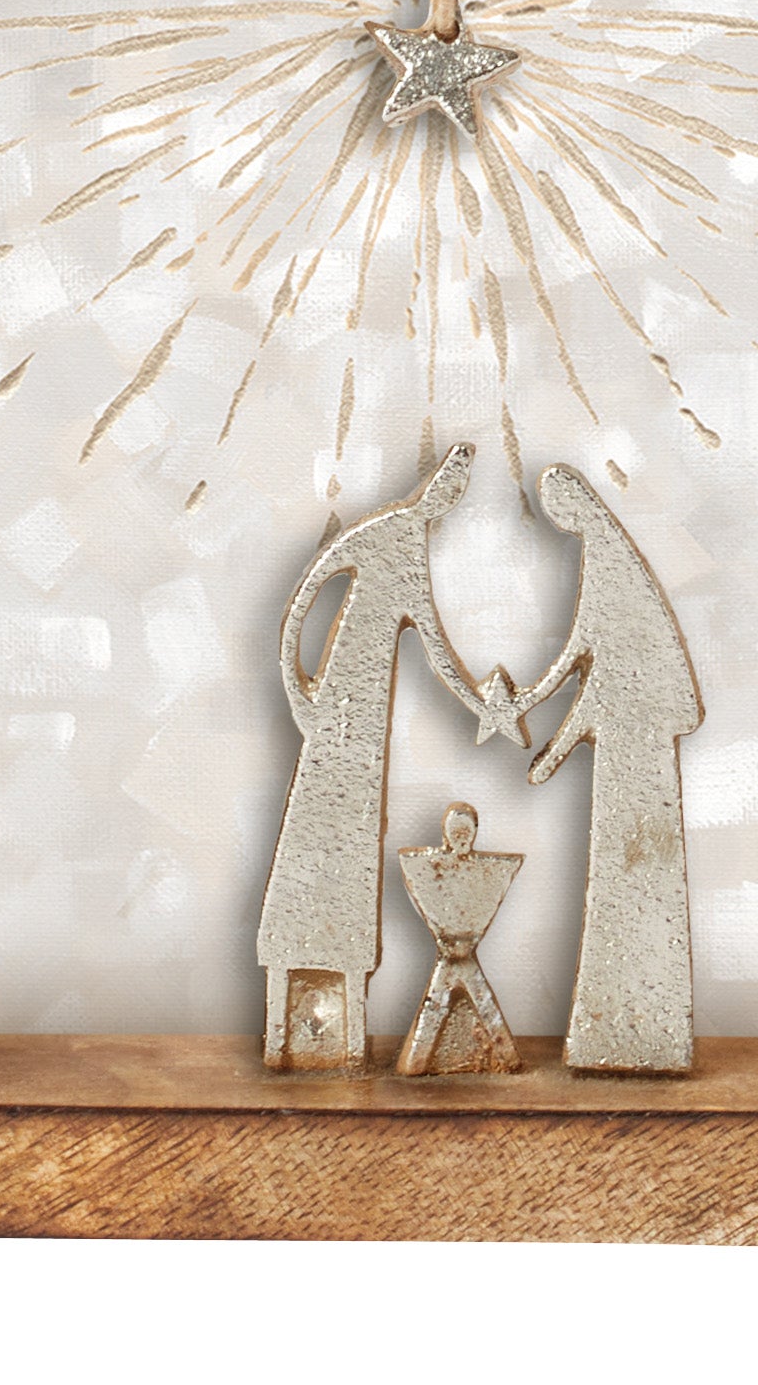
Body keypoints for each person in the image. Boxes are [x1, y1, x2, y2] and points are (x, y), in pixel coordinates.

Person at [256, 444, 516, 1067]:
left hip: (368, 713)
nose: (449, 494)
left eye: (458, 487)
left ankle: (339, 1007)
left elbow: (432, 642)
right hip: (339, 702)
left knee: (352, 829)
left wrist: (480, 703)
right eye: (449, 481)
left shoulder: (413, 552)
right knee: (316, 821)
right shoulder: (387, 532)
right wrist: (299, 692)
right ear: (434, 484)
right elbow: (306, 597)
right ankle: (295, 997)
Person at [523, 462, 704, 1074]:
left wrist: (544, 723)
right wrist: (540, 715)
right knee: (622, 874)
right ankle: (621, 1031)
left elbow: (590, 659)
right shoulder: (605, 559)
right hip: (629, 737)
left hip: (635, 739)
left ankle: (640, 1033)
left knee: (635, 869)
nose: (556, 517)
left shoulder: (609, 562)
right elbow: (589, 659)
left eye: (557, 505)